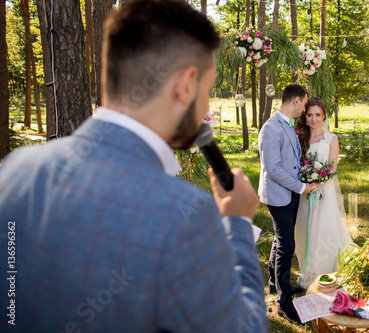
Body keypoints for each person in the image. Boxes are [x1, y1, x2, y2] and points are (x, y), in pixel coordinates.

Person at [0, 1, 268, 332]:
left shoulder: (15, 169)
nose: (207, 106)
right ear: (185, 86)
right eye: (207, 91)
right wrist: (238, 222)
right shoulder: (183, 214)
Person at [258, 84, 317, 324]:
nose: (305, 109)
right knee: (287, 245)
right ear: (296, 101)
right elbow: (273, 169)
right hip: (279, 196)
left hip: (289, 193)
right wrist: (302, 187)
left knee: (282, 239)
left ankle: (274, 284)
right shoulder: (271, 128)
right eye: (304, 104)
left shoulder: (287, 125)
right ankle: (284, 303)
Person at [294, 97, 354, 289]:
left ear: (324, 116)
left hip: (323, 193)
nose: (313, 119)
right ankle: (308, 273)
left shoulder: (331, 139)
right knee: (304, 230)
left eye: (317, 115)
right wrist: (306, 184)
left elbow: (332, 168)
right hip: (304, 193)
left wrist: (317, 186)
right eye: (310, 115)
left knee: (324, 231)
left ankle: (326, 274)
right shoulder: (300, 138)